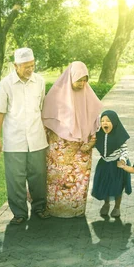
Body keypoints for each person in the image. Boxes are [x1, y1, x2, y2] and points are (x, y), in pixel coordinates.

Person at [0, 48, 49, 225]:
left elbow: (42, 107)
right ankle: (19, 213)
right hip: (14, 139)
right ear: (16, 65)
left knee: (38, 175)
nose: (30, 69)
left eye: (32, 65)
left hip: (37, 137)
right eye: (26, 66)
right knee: (15, 178)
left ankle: (39, 207)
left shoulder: (40, 81)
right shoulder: (6, 83)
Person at [41, 61, 103, 218]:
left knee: (78, 181)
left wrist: (92, 141)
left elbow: (96, 122)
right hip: (58, 151)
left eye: (85, 80)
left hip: (81, 150)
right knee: (57, 180)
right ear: (70, 77)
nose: (82, 84)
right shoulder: (55, 96)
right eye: (79, 80)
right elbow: (45, 123)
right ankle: (55, 209)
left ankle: (76, 209)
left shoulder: (90, 97)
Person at [91, 110, 132, 217]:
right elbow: (93, 143)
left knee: (117, 186)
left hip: (117, 165)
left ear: (114, 122)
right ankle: (106, 203)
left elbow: (125, 150)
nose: (105, 123)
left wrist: (123, 159)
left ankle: (117, 207)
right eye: (102, 121)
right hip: (104, 164)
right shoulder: (99, 134)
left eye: (108, 121)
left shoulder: (119, 135)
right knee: (105, 185)